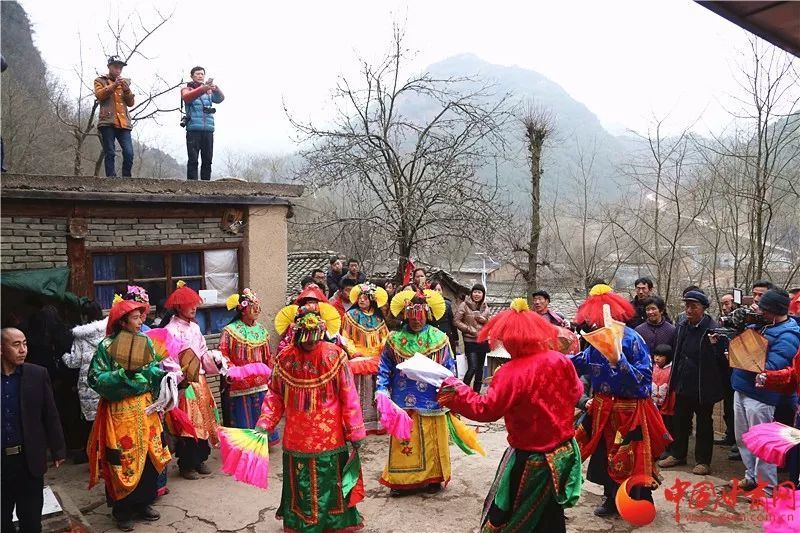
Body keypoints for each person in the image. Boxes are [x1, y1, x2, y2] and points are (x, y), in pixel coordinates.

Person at [437, 298, 584, 532]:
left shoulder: (510, 372)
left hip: (530, 457)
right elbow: (576, 391)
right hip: (562, 452)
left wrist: (455, 389)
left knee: (511, 515)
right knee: (550, 514)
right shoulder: (559, 360)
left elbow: (485, 409)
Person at [256, 300, 366, 532]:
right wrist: (266, 421)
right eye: (307, 338)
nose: (311, 343)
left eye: (315, 338)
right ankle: (304, 523)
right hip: (297, 436)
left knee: (331, 481)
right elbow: (275, 394)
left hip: (331, 436)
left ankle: (334, 522)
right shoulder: (285, 358)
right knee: (302, 483)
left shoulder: (335, 355)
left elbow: (349, 396)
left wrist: (355, 430)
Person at [570, 284, 670, 518]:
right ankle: (610, 498)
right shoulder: (596, 342)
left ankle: (640, 499)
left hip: (629, 409)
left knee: (631, 456)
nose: (595, 323)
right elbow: (578, 362)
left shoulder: (633, 340)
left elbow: (644, 380)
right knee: (605, 454)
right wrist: (550, 357)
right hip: (603, 409)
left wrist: (620, 362)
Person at [86, 297, 170, 531]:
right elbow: (95, 378)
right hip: (120, 411)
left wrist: (166, 378)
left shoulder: (145, 341)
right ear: (122, 322)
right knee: (122, 459)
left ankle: (144, 503)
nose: (140, 321)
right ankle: (122, 510)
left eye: (141, 317)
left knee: (149, 455)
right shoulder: (106, 346)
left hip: (145, 409)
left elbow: (152, 370)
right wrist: (122, 375)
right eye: (135, 317)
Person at [377, 289, 457, 494]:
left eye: (420, 317)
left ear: (427, 315)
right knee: (404, 439)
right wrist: (382, 390)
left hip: (432, 399)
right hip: (402, 399)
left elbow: (449, 369)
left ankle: (433, 478)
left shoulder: (439, 338)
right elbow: (384, 366)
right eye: (412, 317)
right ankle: (401, 480)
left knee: (432, 439)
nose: (416, 321)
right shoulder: (394, 339)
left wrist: (450, 394)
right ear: (406, 315)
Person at [732, 288, 800, 494]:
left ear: (775, 310)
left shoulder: (788, 335)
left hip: (762, 396)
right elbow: (742, 349)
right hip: (742, 387)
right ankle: (751, 476)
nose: (759, 311)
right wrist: (740, 331)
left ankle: (766, 487)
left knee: (763, 443)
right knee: (744, 438)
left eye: (764, 309)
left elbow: (771, 366)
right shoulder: (760, 326)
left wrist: (742, 354)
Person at [1, 327, 66, 533]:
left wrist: (58, 449)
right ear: (1, 349)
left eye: (25, 344)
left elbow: (50, 414)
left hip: (28, 460)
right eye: (16, 345)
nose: (23, 350)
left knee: (30, 521)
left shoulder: (37, 374)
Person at [658, 291, 727, 475]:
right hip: (683, 382)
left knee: (704, 423)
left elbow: (722, 360)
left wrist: (715, 346)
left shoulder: (713, 329)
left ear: (703, 308)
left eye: (693, 307)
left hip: (704, 386)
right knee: (680, 420)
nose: (689, 310)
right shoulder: (682, 326)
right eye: (687, 306)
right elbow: (678, 353)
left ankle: (703, 461)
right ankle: (678, 454)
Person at [163, 281, 220, 480]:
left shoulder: (195, 328)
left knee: (204, 419)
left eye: (195, 304)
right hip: (185, 384)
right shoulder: (170, 330)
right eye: (189, 304)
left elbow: (202, 351)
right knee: (188, 423)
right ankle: (186, 464)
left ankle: (201, 458)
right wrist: (181, 376)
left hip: (200, 381)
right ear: (179, 307)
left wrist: (215, 360)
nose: (194, 308)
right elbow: (168, 360)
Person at [219, 289, 278, 447]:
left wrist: (272, 374)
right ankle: (246, 443)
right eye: (252, 306)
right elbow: (223, 353)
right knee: (242, 414)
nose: (257, 310)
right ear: (242, 309)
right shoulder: (230, 331)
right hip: (240, 383)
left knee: (262, 412)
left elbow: (268, 356)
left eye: (257, 306)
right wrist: (232, 371)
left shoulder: (262, 331)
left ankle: (262, 441)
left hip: (261, 383)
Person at [341, 283, 390, 434]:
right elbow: (346, 337)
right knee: (360, 391)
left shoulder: (378, 318)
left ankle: (377, 424)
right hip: (358, 358)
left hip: (376, 357)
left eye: (366, 298)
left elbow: (385, 337)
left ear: (372, 300)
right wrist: (354, 353)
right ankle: (358, 423)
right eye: (360, 297)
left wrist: (381, 350)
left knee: (376, 390)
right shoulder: (350, 316)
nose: (362, 300)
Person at [61, 301, 107, 463]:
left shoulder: (80, 337)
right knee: (106, 419)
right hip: (106, 381)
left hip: (88, 385)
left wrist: (63, 355)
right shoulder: (109, 331)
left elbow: (74, 362)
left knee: (91, 423)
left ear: (84, 316)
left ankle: (94, 455)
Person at [94, 55, 135, 178]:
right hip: (107, 122)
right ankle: (111, 179)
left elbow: (131, 103)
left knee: (129, 153)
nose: (118, 70)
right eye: (116, 67)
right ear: (109, 67)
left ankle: (126, 178)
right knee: (110, 152)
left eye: (120, 68)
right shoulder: (100, 80)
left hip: (124, 123)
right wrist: (113, 86)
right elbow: (99, 95)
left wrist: (127, 91)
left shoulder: (125, 83)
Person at [181, 66, 224, 180]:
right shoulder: (186, 89)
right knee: (193, 160)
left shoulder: (208, 91)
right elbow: (186, 98)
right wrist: (202, 89)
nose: (200, 76)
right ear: (192, 76)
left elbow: (220, 99)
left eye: (202, 74)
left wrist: (215, 89)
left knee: (207, 160)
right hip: (193, 129)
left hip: (208, 129)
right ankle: (192, 185)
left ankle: (206, 185)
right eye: (197, 74)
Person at [454, 284, 490, 392]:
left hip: (483, 340)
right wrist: (469, 329)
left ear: (483, 294)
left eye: (479, 292)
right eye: (475, 292)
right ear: (471, 293)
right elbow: (456, 321)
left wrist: (484, 320)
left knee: (480, 369)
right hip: (470, 340)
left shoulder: (485, 306)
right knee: (473, 367)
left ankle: (476, 394)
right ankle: (462, 392)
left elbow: (489, 323)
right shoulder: (464, 305)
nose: (477, 294)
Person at [717, 292, 739, 449]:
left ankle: (737, 439)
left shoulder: (741, 323)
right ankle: (729, 434)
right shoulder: (722, 323)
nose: (724, 307)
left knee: (736, 407)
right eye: (722, 304)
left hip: (738, 371)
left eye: (727, 303)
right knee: (728, 404)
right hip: (724, 371)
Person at [651, 343, 675, 460]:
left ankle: (668, 448)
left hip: (667, 406)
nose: (657, 358)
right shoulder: (652, 368)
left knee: (667, 426)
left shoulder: (671, 370)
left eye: (661, 356)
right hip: (654, 404)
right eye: (656, 355)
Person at [430, 281, 459, 353]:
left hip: (447, 335)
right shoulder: (427, 304)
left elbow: (452, 322)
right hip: (433, 337)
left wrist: (456, 338)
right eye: (434, 289)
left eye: (439, 290)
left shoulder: (447, 304)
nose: (437, 292)